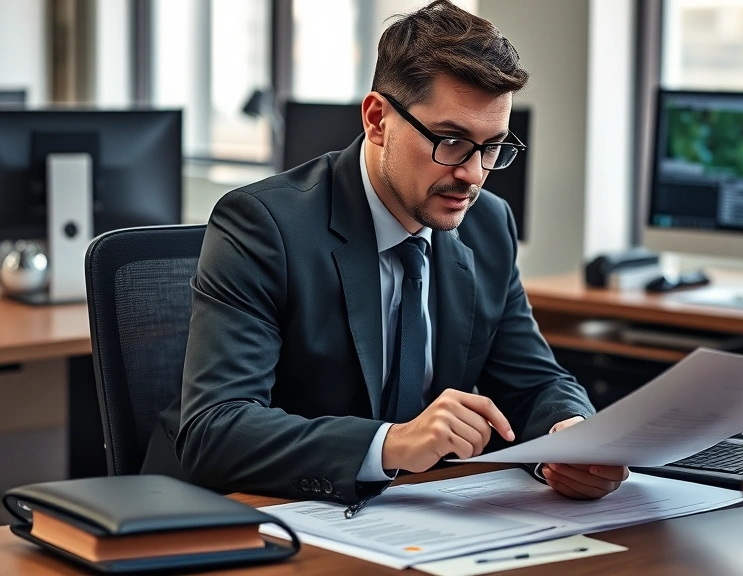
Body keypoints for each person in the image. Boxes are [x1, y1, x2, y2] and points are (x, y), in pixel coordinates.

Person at [144, 0, 628, 507]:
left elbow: (533, 381)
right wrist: (393, 443)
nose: (473, 174)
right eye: (450, 140)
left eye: (492, 147)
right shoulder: (264, 225)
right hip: (243, 514)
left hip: (407, 517)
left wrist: (573, 436)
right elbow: (215, 430)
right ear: (377, 120)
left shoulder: (487, 225)